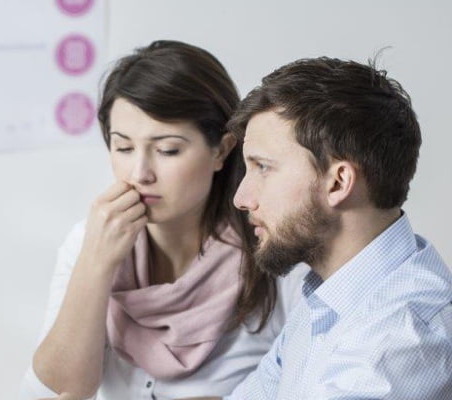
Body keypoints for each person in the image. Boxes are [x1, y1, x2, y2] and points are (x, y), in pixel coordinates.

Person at [22, 41, 307, 400]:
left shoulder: (274, 252)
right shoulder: (88, 241)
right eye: (123, 147)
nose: (140, 173)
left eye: (167, 150)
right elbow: (56, 393)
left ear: (221, 149)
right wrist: (96, 264)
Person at [193, 57, 452, 399]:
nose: (242, 198)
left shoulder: (402, 337)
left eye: (263, 168)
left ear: (338, 182)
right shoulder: (330, 299)